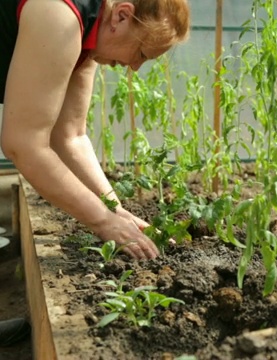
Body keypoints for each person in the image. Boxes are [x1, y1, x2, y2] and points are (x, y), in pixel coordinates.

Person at [0, 0, 190, 347]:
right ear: (121, 15)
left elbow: (70, 136)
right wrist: (101, 221)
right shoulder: (60, 15)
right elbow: (24, 145)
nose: (134, 68)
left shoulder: (88, 37)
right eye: (142, 53)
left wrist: (116, 210)